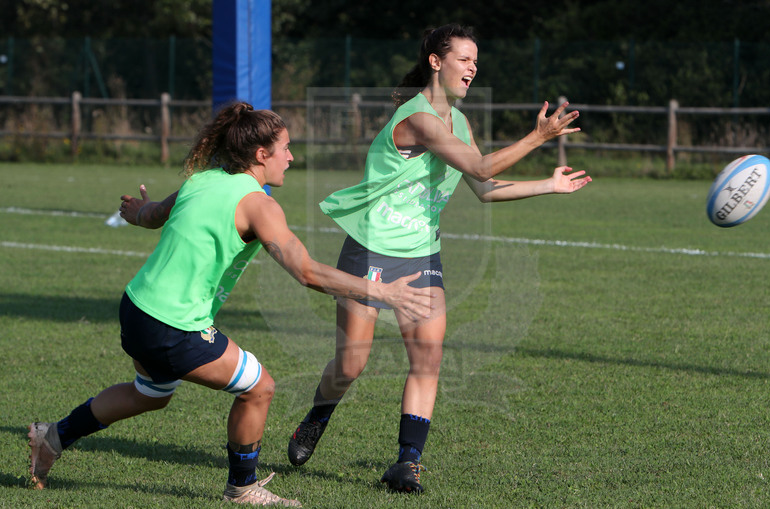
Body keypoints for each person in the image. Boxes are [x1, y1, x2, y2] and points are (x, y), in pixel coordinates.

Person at [27, 102, 434, 506]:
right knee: (259, 388)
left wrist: (136, 214)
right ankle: (242, 487)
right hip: (174, 325)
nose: (292, 157)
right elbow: (307, 272)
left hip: (136, 307)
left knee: (150, 393)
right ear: (262, 155)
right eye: (285, 148)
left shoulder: (201, 180)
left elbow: (155, 215)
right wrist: (383, 291)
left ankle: (53, 436)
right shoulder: (260, 205)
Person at [286, 23, 592, 493]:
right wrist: (538, 137)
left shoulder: (460, 122)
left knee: (428, 356)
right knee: (351, 365)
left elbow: (484, 188)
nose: (473, 67)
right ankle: (317, 415)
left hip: (422, 251)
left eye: (475, 61)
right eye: (464, 59)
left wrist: (549, 185)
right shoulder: (419, 117)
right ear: (436, 61)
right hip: (370, 247)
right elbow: (482, 166)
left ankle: (407, 463)